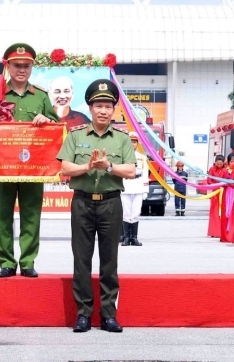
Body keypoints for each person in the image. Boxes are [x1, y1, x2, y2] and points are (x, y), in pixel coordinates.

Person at [57, 78, 136, 333]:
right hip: (82, 203)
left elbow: (131, 170)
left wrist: (109, 166)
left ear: (114, 110)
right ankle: (83, 314)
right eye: (98, 106)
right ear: (90, 108)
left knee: (109, 261)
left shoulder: (121, 139)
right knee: (81, 260)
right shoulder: (76, 135)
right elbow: (65, 167)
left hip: (110, 204)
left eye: (108, 106)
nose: (103, 111)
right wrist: (87, 166)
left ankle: (108, 315)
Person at [0, 43, 59, 278]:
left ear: (31, 68)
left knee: (32, 214)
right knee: (3, 214)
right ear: (8, 66)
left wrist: (47, 120)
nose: (22, 70)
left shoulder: (41, 96)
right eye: (17, 65)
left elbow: (57, 127)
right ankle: (6, 261)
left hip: (33, 166)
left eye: (26, 66)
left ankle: (27, 261)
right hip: (3, 165)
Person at [121, 131, 148, 246]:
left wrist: (145, 190)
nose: (132, 144)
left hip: (138, 185)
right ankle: (126, 237)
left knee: (136, 213)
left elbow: (145, 173)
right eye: (130, 142)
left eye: (134, 142)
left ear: (137, 143)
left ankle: (134, 237)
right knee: (126, 213)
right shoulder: (122, 156)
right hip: (126, 186)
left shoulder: (142, 157)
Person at [206, 155, 226, 237]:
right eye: (218, 164)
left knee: (221, 212)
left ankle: (221, 231)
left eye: (221, 164)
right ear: (215, 162)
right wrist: (216, 185)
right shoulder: (212, 169)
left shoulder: (225, 170)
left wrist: (221, 185)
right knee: (214, 212)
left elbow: (226, 181)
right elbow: (209, 180)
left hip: (222, 193)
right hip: (214, 193)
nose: (219, 165)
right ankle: (213, 231)